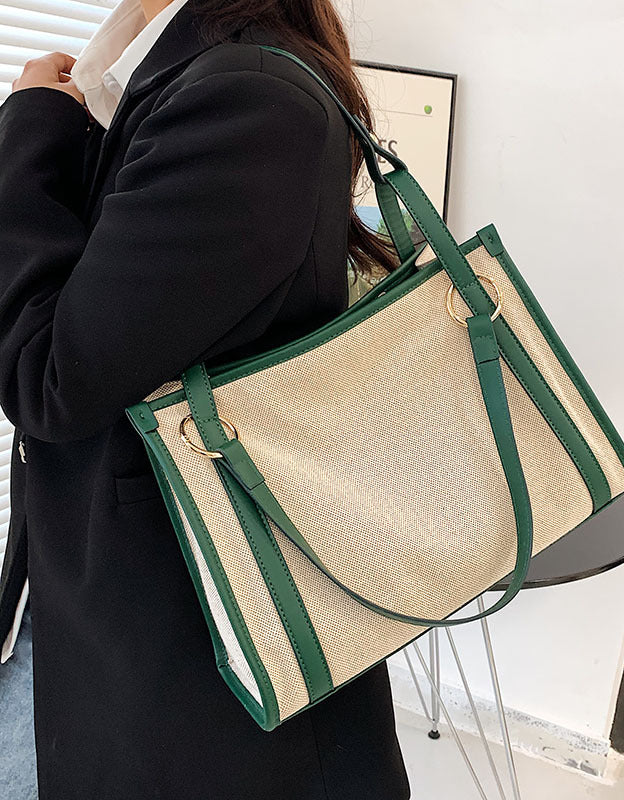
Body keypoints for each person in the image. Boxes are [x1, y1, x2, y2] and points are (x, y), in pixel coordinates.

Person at [0, 0, 411, 797]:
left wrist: (30, 129)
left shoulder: (245, 98)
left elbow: (47, 378)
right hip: (126, 602)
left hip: (185, 638)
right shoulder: (174, 71)